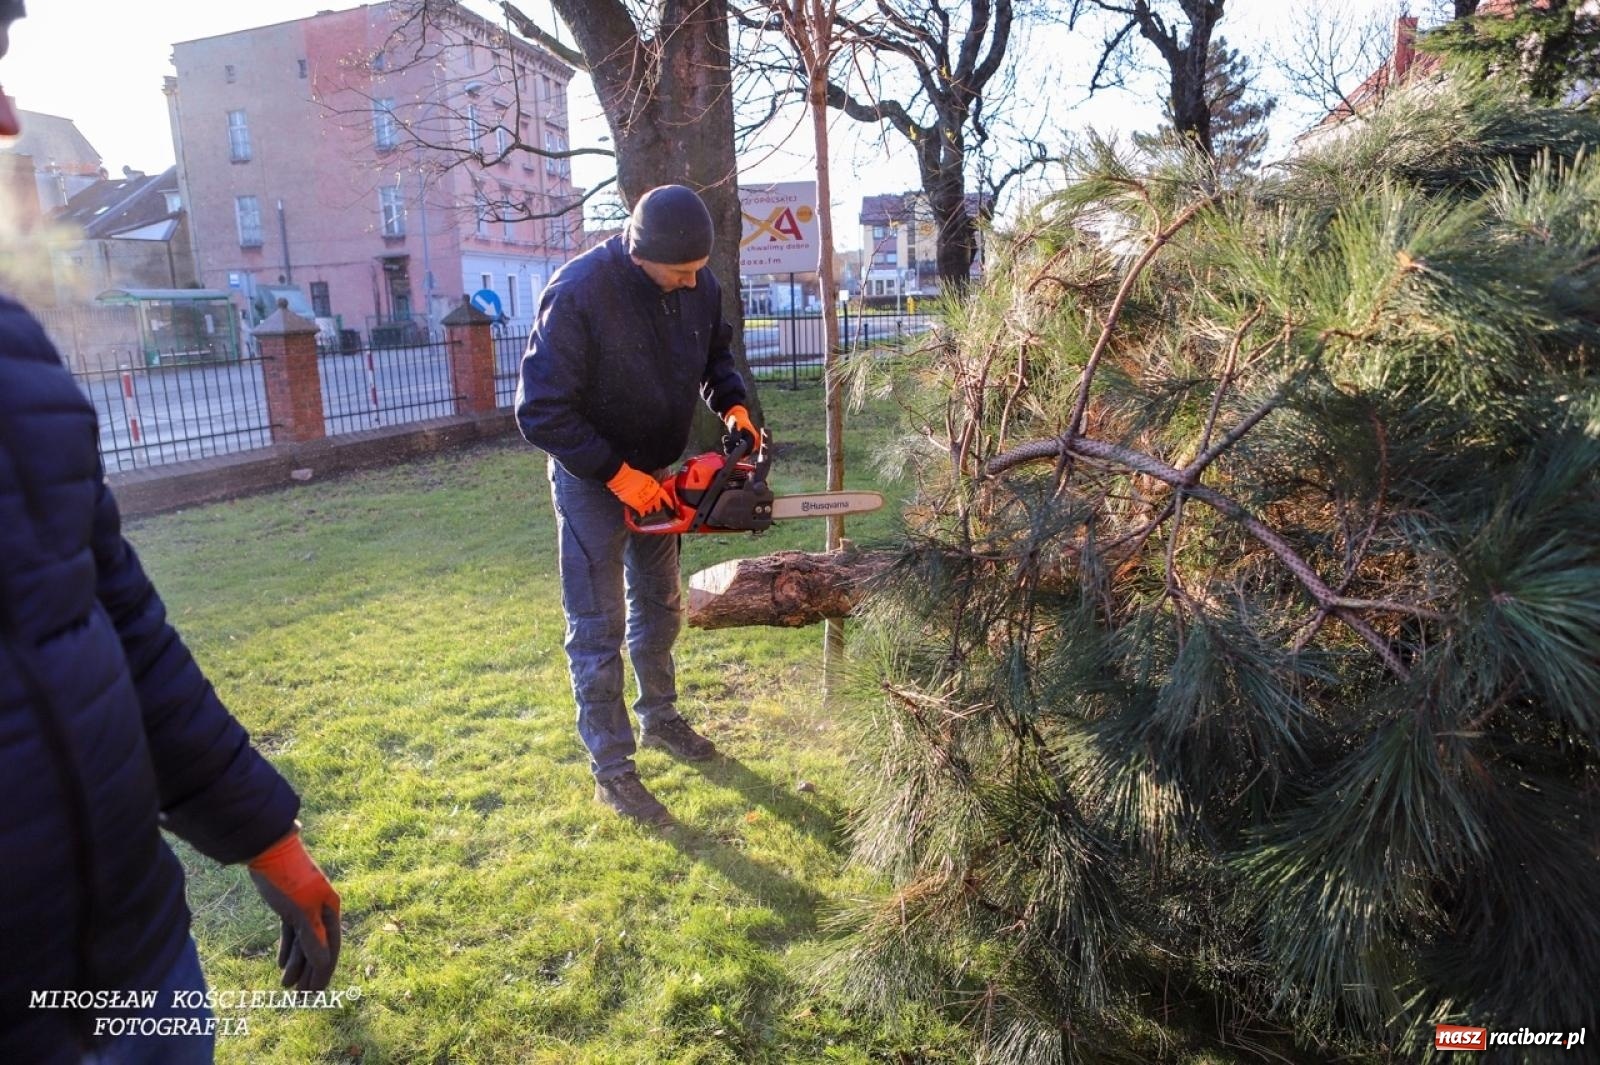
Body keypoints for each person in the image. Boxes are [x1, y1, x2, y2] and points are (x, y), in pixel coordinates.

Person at [0, 5, 342, 1062]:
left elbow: (110, 620)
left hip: (140, 971)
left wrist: (263, 834)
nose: (9, 119)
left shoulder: (13, 361)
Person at [516, 184, 758, 826]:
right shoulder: (579, 292)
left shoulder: (698, 286)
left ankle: (661, 719)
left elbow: (716, 356)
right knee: (596, 629)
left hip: (661, 474)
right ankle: (613, 770)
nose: (691, 282)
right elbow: (539, 410)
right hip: (592, 482)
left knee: (662, 607)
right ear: (638, 251)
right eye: (679, 272)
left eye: (698, 271)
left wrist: (731, 403)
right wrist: (616, 475)